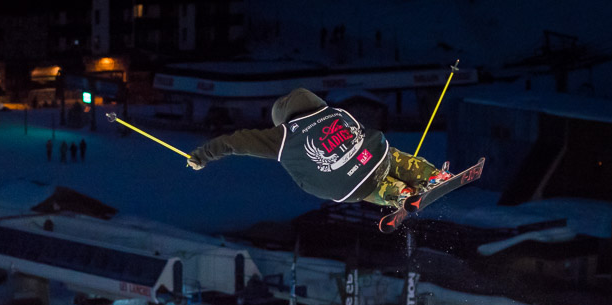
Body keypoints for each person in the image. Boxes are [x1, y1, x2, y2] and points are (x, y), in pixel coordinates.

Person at [186, 88, 449, 208]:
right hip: (372, 156)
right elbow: (360, 132)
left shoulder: (284, 135)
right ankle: (430, 175)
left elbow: (235, 142)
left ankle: (400, 193)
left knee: (367, 187)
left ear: (282, 119)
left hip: (346, 185)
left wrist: (202, 155)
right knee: (391, 158)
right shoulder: (334, 111)